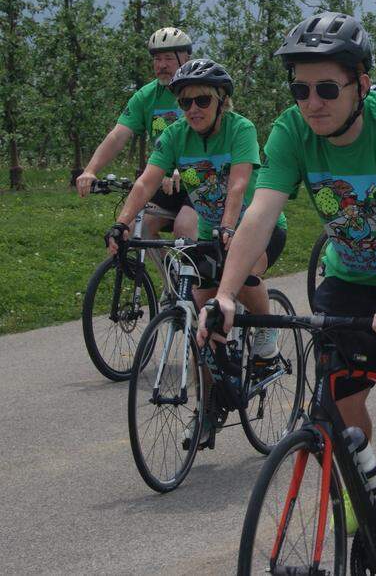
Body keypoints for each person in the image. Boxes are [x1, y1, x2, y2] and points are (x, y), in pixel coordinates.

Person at [198, 11, 376, 576]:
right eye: (301, 88)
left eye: (327, 88)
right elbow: (259, 214)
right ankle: (364, 477)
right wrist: (225, 296)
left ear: (361, 84)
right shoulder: (293, 130)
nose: (312, 102)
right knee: (339, 398)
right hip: (350, 273)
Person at [108, 58, 287, 446]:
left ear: (222, 100)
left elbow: (239, 185)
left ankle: (266, 336)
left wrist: (228, 225)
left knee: (243, 271)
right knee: (203, 317)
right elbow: (145, 183)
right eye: (185, 103)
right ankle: (208, 406)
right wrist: (123, 224)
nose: (193, 110)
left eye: (202, 101)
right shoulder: (174, 136)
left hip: (255, 226)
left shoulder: (241, 129)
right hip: (210, 231)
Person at [77, 27, 198, 239]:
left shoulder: (200, 93)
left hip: (200, 180)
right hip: (164, 179)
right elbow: (118, 135)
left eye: (168, 58)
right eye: (157, 59)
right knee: (133, 229)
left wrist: (184, 166)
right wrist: (90, 170)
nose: (161, 65)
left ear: (186, 58)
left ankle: (196, 272)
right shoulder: (147, 95)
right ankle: (171, 272)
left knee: (185, 227)